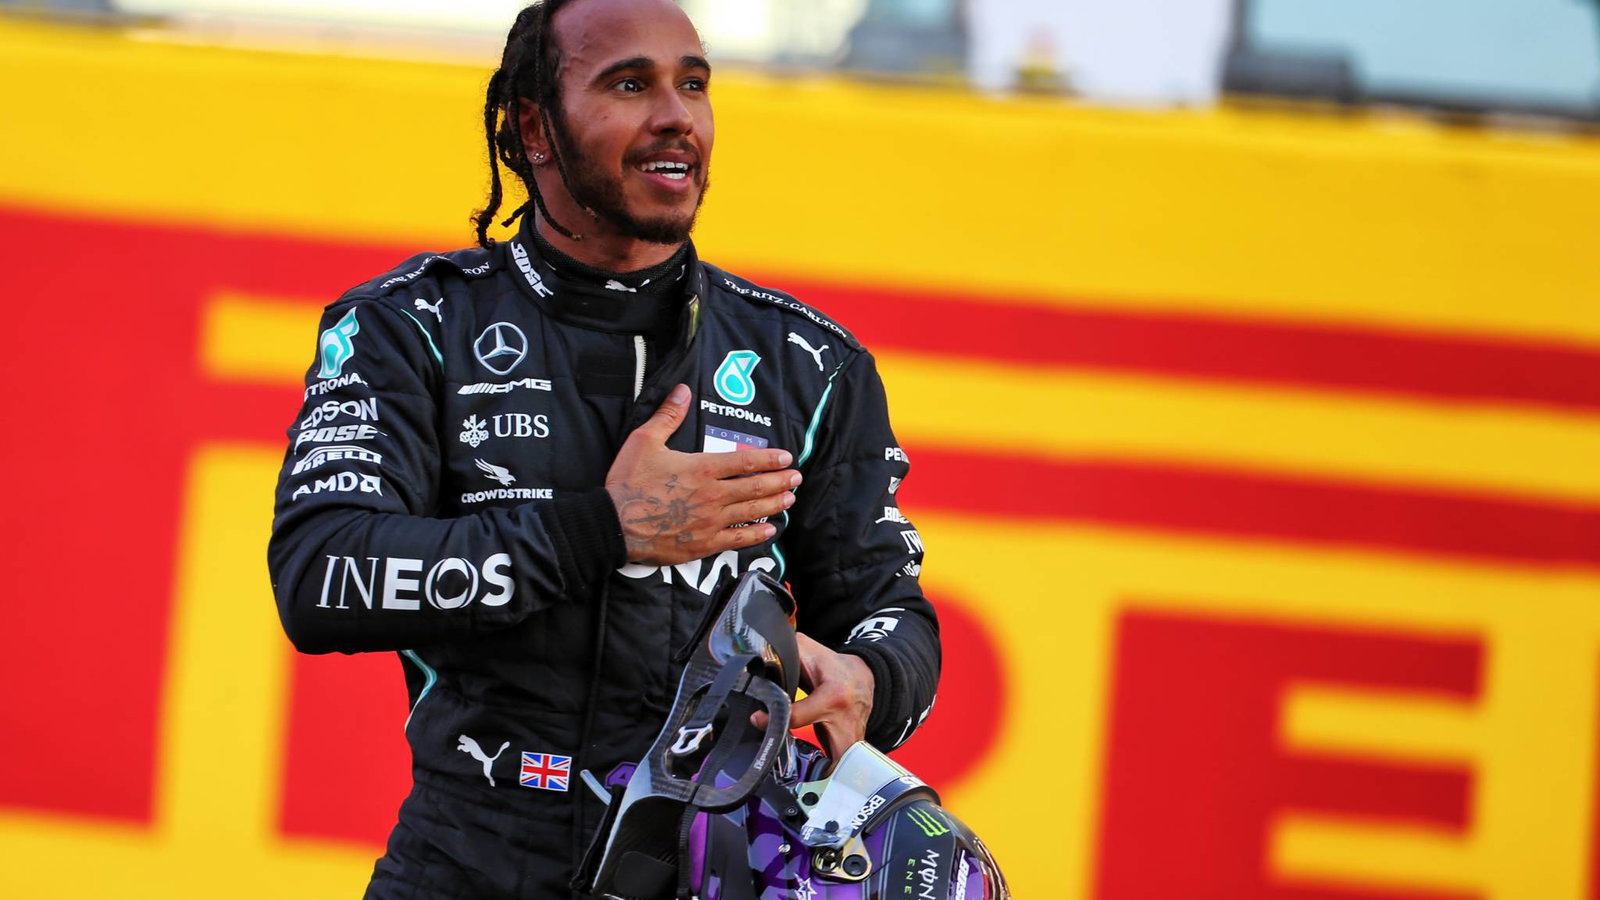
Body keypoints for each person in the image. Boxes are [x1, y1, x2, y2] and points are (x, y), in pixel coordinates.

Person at [267, 0, 939, 896]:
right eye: (630, 84)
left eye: (693, 85)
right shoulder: (412, 325)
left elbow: (892, 615)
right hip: (465, 860)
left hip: (711, 871)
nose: (677, 115)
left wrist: (872, 676)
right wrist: (602, 531)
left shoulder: (809, 365)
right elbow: (319, 575)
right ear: (534, 129)